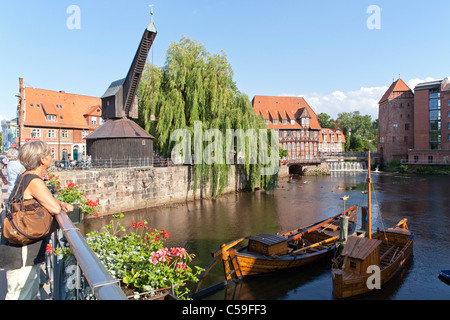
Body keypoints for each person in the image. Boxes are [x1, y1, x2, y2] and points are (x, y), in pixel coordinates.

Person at [0, 141, 73, 300]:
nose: (51, 157)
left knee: (27, 291)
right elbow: (54, 209)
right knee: (20, 292)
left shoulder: (24, 176)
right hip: (22, 250)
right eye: (49, 154)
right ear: (42, 160)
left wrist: (60, 203)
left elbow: (45, 200)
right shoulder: (34, 181)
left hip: (18, 244)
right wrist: (60, 205)